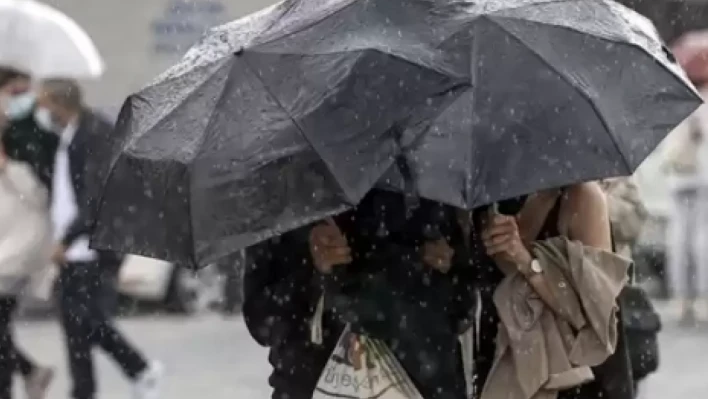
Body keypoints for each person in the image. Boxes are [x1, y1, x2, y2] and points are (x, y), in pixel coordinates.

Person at [244, 189, 475, 399]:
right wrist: (313, 270)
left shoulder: (427, 175)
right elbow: (261, 321)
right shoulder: (281, 190)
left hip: (424, 382)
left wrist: (443, 265)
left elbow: (464, 306)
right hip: (312, 383)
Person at [34, 79, 163, 399]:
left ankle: (140, 368)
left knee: (89, 321)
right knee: (74, 326)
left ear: (58, 102)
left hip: (91, 247)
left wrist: (67, 238)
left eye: (44, 102)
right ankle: (84, 391)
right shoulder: (69, 134)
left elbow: (95, 197)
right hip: (76, 249)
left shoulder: (94, 133)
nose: (41, 110)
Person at [472, 183, 634, 399]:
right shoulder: (487, 199)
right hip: (508, 365)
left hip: (576, 375)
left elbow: (594, 313)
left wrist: (525, 260)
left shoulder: (581, 196)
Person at [0, 145, 55, 399]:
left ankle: (20, 378)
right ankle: (30, 371)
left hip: (16, 265)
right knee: (1, 332)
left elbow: (39, 198)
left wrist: (9, 170)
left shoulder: (19, 173)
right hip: (5, 263)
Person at [0, 68, 58, 190]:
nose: (21, 100)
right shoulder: (10, 134)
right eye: (15, 93)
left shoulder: (44, 130)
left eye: (25, 92)